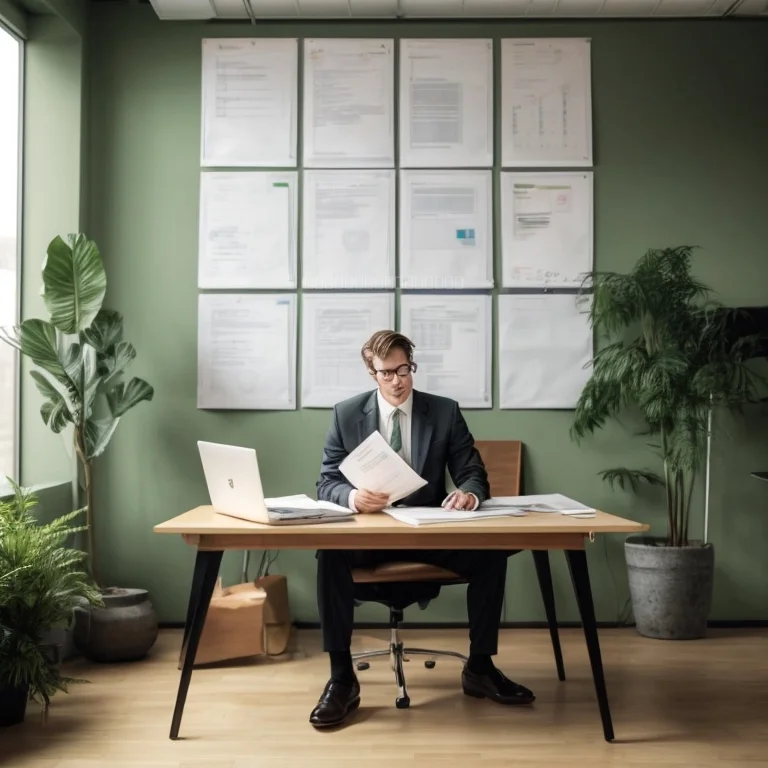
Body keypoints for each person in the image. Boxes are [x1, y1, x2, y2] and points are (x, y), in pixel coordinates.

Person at [309, 330, 535, 728]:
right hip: (372, 533)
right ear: (371, 373)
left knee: (491, 554)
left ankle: (480, 668)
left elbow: (472, 473)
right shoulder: (346, 415)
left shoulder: (444, 412)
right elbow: (326, 481)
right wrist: (352, 497)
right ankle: (342, 678)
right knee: (329, 555)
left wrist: (468, 493)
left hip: (427, 530)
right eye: (387, 372)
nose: (398, 380)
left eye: (405, 369)